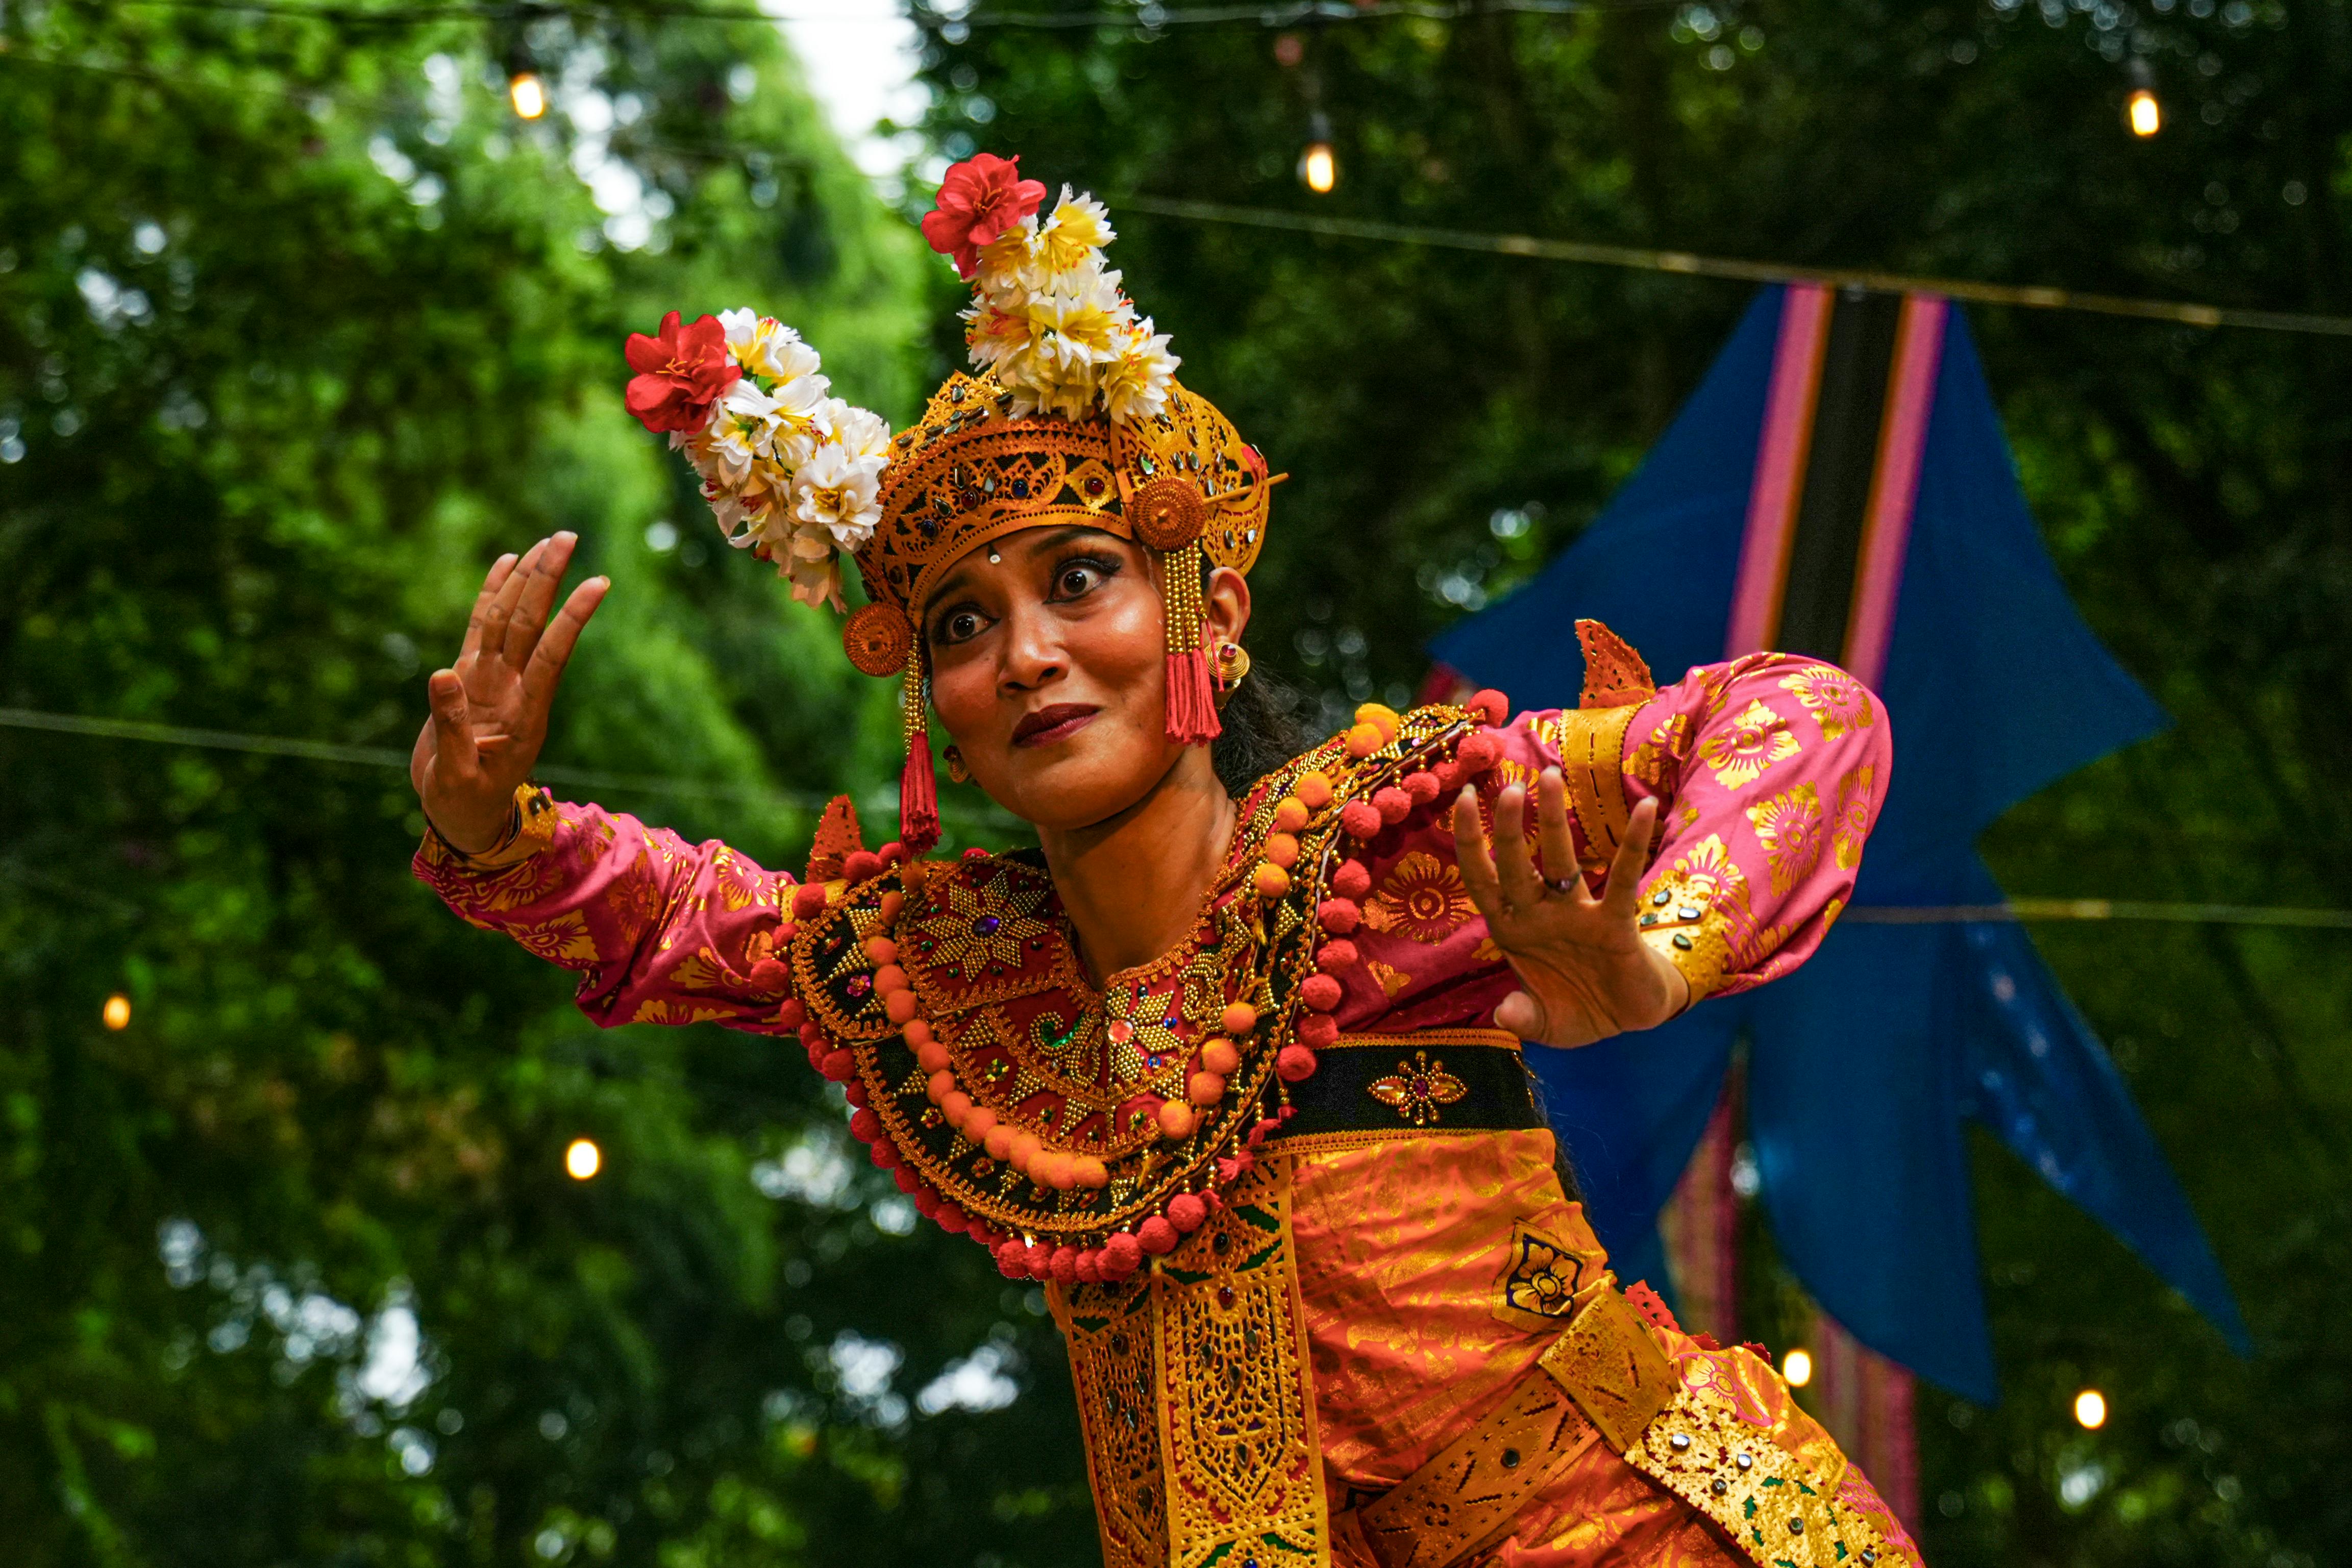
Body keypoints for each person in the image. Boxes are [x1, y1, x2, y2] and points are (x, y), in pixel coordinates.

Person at [410, 155, 1917, 1568]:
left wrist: (1656, 955)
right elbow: (693, 920)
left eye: (1078, 582)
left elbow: (1802, 715)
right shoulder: (959, 980)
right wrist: (490, 823)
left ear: (1201, 610)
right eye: (961, 625)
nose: (1028, 658)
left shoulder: (1381, 840)